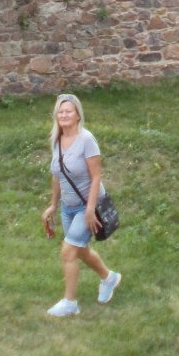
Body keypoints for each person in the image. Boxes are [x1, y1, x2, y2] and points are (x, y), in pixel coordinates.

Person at [41, 92, 120, 317]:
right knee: (80, 250)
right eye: (61, 111)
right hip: (68, 207)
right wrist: (53, 206)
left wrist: (89, 210)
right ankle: (109, 278)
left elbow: (96, 176)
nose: (64, 114)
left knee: (68, 251)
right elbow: (58, 176)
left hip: (88, 205)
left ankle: (70, 303)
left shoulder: (86, 139)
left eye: (69, 111)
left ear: (77, 115)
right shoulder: (56, 139)